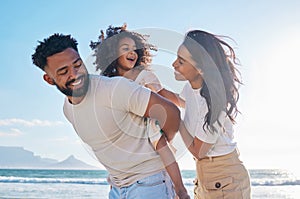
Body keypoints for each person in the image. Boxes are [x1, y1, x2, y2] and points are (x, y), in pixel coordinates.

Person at [32, 33, 181, 199]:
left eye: (77, 65)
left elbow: (172, 113)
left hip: (149, 183)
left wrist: (159, 141)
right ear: (49, 79)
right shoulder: (68, 109)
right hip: (116, 188)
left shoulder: (116, 89)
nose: (74, 74)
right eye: (63, 71)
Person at [90, 24, 189, 199]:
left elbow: (164, 94)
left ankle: (180, 190)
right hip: (126, 136)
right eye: (125, 48)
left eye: (135, 49)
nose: (132, 52)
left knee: (162, 146)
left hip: (146, 124)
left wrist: (186, 103)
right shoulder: (108, 82)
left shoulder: (142, 75)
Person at [172, 30, 251, 198]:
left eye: (181, 61)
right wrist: (152, 89)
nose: (173, 64)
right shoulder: (191, 88)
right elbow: (180, 101)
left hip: (226, 180)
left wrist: (176, 121)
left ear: (200, 68)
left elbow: (198, 151)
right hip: (205, 176)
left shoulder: (215, 103)